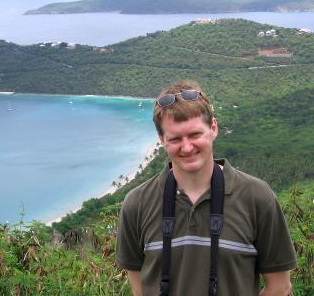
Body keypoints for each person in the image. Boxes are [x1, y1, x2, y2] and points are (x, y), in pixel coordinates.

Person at [116, 80, 296, 295]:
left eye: (195, 135)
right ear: (162, 140)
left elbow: (280, 286)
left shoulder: (256, 196)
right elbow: (139, 287)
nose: (187, 147)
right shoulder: (137, 203)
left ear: (213, 128)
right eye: (175, 138)